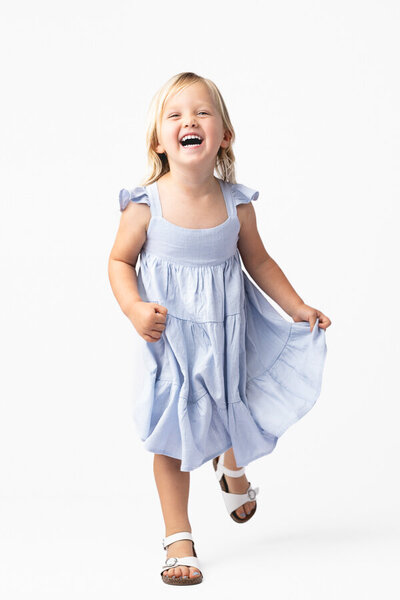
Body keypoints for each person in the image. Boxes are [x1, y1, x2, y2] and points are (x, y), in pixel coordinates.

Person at [108, 71, 331, 586]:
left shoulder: (236, 204)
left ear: (224, 136)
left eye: (202, 112)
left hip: (228, 332)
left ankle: (231, 470)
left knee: (230, 404)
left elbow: (260, 261)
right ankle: (178, 535)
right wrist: (134, 308)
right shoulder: (145, 206)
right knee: (172, 431)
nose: (190, 120)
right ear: (159, 142)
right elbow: (119, 262)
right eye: (176, 114)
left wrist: (296, 306)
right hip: (171, 343)